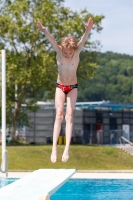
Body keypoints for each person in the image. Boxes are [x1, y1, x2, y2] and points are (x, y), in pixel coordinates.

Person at [37, 17, 93, 163]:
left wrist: (87, 30)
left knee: (69, 115)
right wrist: (44, 31)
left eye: (70, 53)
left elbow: (83, 40)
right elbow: (52, 40)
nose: (67, 55)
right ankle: (54, 148)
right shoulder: (59, 51)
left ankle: (67, 148)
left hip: (73, 87)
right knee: (59, 115)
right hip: (60, 87)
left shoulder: (77, 51)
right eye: (66, 53)